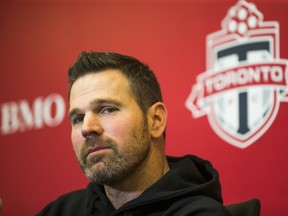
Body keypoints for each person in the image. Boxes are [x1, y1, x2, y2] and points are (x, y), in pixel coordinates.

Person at [37, 51, 232, 216]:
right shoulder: (60, 211)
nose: (87, 128)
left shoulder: (201, 212)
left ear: (155, 120)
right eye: (78, 118)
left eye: (107, 109)